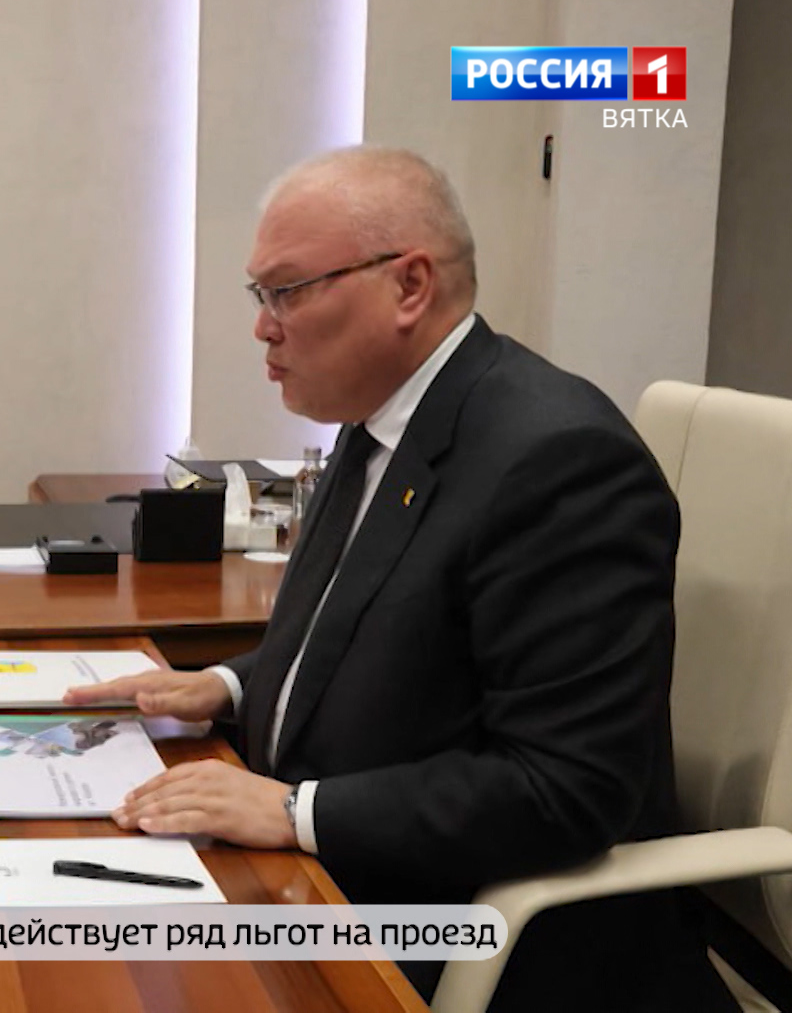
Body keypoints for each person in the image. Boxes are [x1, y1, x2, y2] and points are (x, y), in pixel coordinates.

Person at [68, 145, 735, 1010]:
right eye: (259, 296)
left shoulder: (559, 461)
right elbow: (377, 633)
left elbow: (566, 788)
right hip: (335, 876)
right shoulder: (381, 419)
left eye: (287, 291)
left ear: (410, 286)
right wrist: (227, 686)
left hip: (466, 933)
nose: (264, 327)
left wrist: (294, 812)